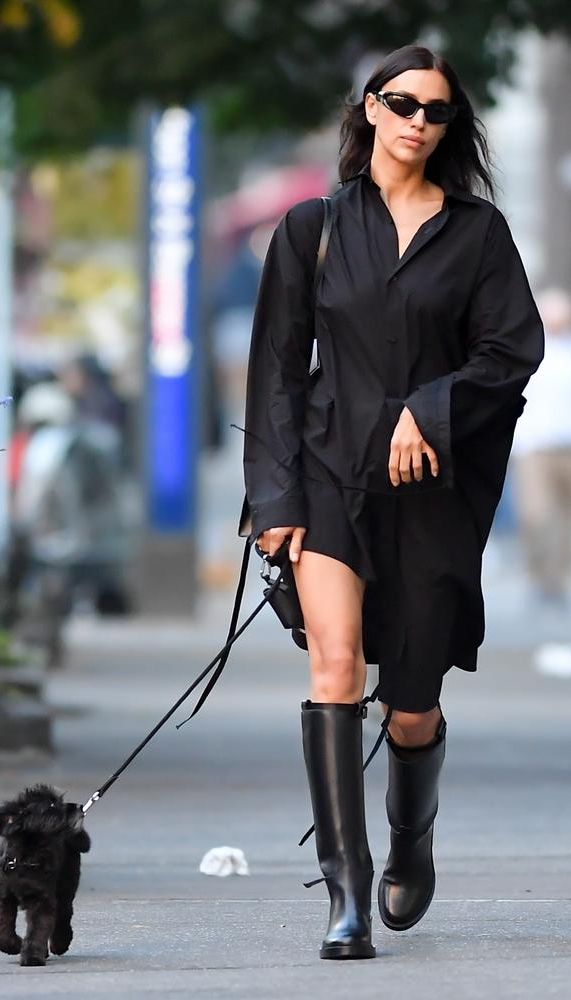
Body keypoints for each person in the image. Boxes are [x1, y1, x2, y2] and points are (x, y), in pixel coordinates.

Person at [241, 43, 544, 960]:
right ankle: (347, 893)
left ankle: (412, 839)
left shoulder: (478, 235)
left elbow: (511, 351)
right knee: (334, 668)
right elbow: (277, 374)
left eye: (438, 111)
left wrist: (430, 410)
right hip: (331, 477)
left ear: (451, 127)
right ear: (370, 108)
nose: (418, 120)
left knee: (409, 703)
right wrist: (275, 496)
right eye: (403, 103)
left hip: (434, 495)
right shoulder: (313, 227)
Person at [510, 287, 571, 607]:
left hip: (567, 446)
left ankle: (557, 579)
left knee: (564, 517)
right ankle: (537, 576)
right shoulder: (526, 351)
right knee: (536, 514)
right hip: (534, 447)